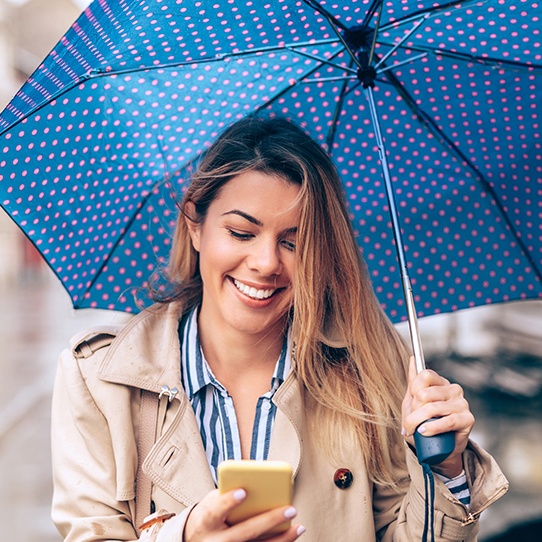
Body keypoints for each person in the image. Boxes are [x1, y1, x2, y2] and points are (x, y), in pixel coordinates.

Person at [51, 116, 508, 542]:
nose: (266, 263)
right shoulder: (101, 378)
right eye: (242, 233)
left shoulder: (370, 359)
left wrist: (446, 469)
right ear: (195, 224)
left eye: (294, 241)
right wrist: (185, 536)